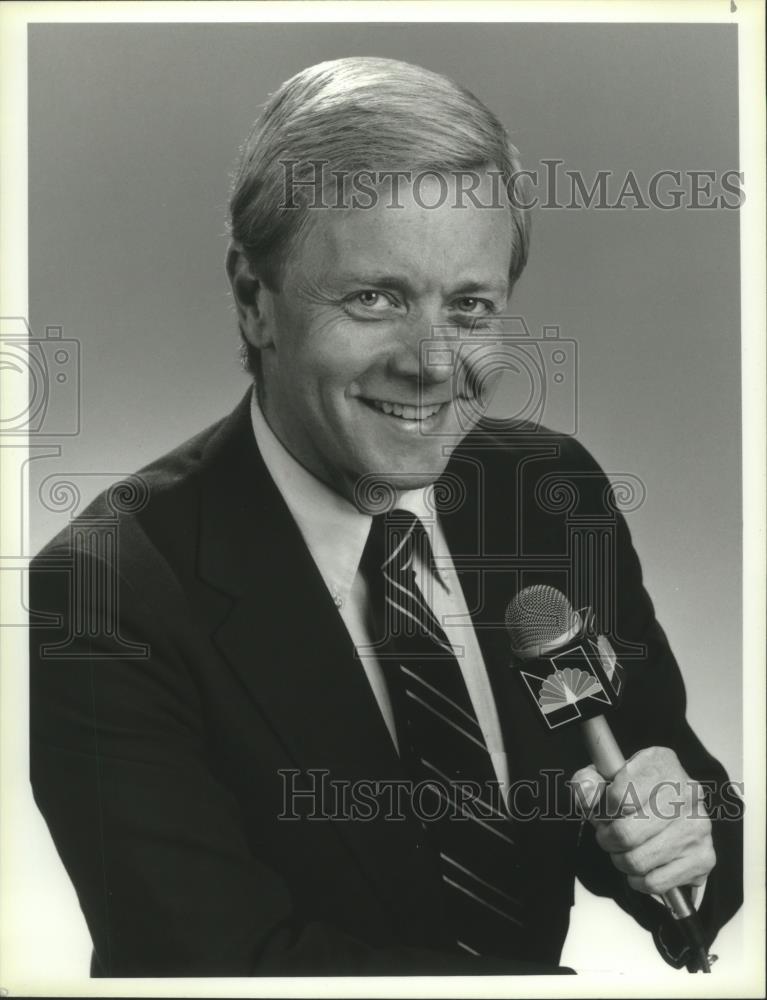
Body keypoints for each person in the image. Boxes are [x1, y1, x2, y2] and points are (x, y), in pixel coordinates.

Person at [28, 56, 742, 978]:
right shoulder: (102, 595)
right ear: (255, 299)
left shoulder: (546, 491)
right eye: (375, 298)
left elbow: (679, 785)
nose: (434, 365)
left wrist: (686, 841)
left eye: (470, 306)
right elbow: (216, 969)